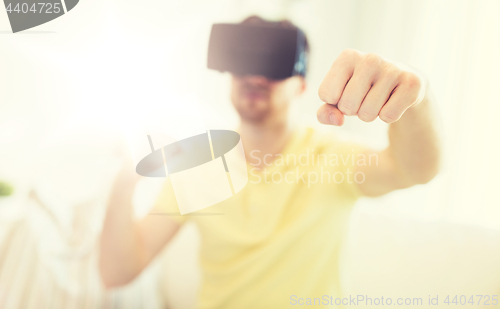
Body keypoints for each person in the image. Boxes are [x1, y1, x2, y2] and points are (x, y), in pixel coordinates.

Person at [99, 16, 441, 308]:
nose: (255, 76)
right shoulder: (198, 165)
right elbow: (117, 272)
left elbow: (414, 170)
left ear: (302, 85)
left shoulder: (332, 156)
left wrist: (416, 96)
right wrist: (125, 181)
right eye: (244, 61)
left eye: (274, 64)